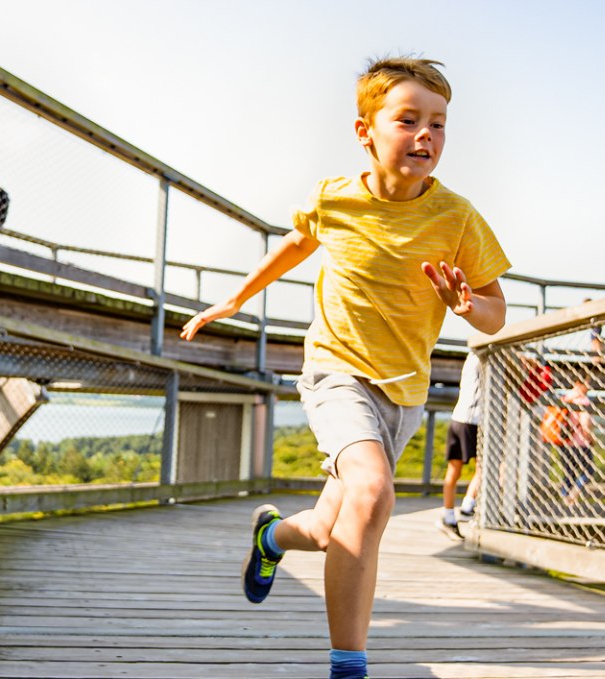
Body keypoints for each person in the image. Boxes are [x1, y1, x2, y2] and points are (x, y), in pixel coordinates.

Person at [179, 56, 509, 679]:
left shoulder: (457, 217)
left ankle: (270, 539)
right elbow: (299, 241)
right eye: (408, 120)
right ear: (366, 131)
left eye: (439, 124)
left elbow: (495, 315)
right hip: (335, 372)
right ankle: (348, 666)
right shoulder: (335, 197)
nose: (426, 136)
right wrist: (236, 299)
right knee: (373, 490)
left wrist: (470, 305)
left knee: (335, 528)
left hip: (404, 391)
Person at [439, 352, 483, 539]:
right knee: (485, 468)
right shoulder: (483, 357)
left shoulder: (470, 357)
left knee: (454, 471)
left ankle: (448, 515)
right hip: (474, 420)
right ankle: (468, 505)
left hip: (458, 417)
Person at [547, 380, 594, 505]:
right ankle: (572, 495)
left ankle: (564, 496)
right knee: (588, 470)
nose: (588, 388)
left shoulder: (565, 398)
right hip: (581, 443)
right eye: (587, 384)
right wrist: (591, 438)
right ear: (579, 383)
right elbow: (586, 423)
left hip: (565, 442)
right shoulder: (583, 401)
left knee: (569, 472)